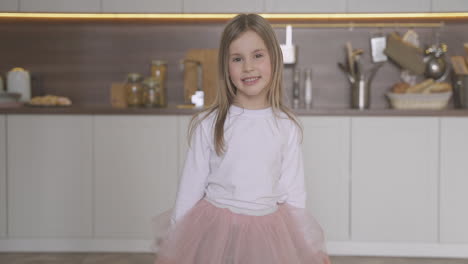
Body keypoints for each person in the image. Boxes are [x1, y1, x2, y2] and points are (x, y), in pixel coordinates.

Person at [153, 13, 330, 264]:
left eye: (258, 55)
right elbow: (188, 191)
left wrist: (312, 249)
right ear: (226, 67)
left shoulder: (285, 126)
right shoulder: (210, 124)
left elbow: (294, 195)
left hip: (268, 235)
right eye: (237, 59)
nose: (248, 67)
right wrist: (173, 246)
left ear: (274, 58)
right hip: (215, 234)